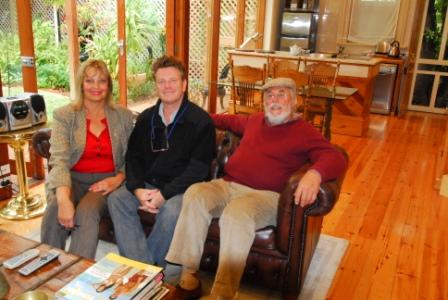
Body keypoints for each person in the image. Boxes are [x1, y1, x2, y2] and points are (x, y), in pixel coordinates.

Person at [165, 77, 348, 300]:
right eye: (269, 96)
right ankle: (189, 278)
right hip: (227, 185)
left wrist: (314, 174)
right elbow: (224, 120)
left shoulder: (304, 131)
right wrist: (188, 115)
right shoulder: (254, 121)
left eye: (281, 94)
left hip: (265, 196)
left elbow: (336, 156)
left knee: (237, 214)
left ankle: (223, 294)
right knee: (195, 194)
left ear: (294, 100)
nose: (275, 100)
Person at [107, 55, 215, 269]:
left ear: (184, 84)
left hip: (182, 190)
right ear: (156, 85)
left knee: (172, 211)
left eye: (173, 80)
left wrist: (164, 194)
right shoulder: (147, 118)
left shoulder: (200, 121)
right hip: (148, 184)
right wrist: (137, 188)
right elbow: (133, 157)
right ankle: (144, 269)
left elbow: (199, 169)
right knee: (117, 200)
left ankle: (144, 271)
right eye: (161, 81)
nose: (167, 86)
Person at [40, 59, 134, 259]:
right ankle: (46, 267)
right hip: (72, 179)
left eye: (101, 81)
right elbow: (59, 160)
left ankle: (76, 273)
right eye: (90, 81)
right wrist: (64, 198)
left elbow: (133, 158)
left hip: (106, 182)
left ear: (109, 85)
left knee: (87, 211)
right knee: (55, 207)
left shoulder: (123, 116)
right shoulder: (65, 115)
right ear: (81, 84)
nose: (96, 87)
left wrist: (117, 179)